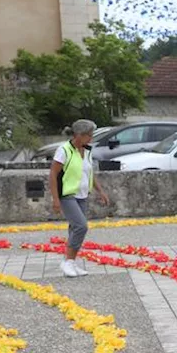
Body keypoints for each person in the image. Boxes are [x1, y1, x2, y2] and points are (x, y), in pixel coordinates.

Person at [50, 119, 110, 278]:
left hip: (82, 195)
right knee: (81, 226)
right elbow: (53, 174)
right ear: (79, 135)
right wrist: (55, 199)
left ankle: (70, 261)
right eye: (89, 135)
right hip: (67, 194)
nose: (91, 138)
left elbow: (89, 173)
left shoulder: (87, 151)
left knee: (74, 229)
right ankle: (68, 262)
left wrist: (100, 191)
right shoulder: (64, 150)